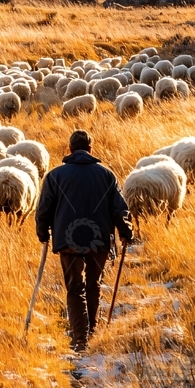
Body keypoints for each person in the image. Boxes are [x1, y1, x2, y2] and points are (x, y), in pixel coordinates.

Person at [35, 129, 133, 352]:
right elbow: (119, 209)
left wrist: (43, 233)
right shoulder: (106, 175)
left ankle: (80, 338)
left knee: (74, 287)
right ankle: (92, 330)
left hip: (68, 241)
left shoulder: (55, 176)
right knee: (93, 284)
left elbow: (44, 209)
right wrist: (126, 232)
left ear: (69, 149)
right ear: (91, 150)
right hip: (98, 241)